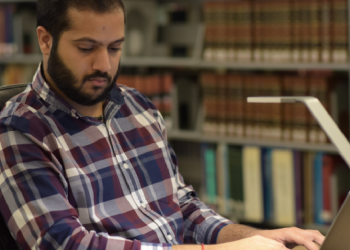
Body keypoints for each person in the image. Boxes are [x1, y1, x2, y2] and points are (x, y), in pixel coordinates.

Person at [0, 0, 324, 249]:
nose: (104, 65)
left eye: (115, 48)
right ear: (45, 40)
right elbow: (65, 243)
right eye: (86, 48)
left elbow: (184, 209)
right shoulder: (19, 129)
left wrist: (259, 238)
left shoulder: (137, 107)